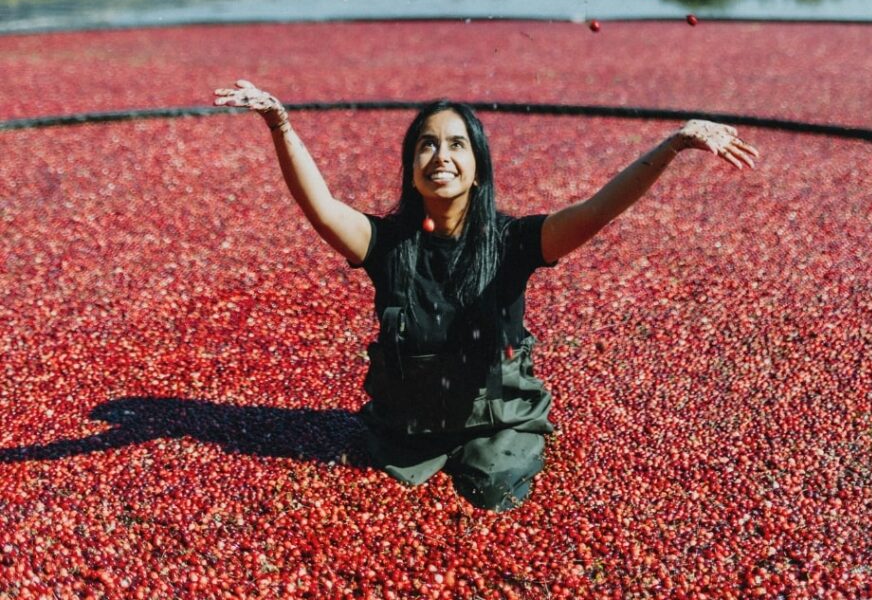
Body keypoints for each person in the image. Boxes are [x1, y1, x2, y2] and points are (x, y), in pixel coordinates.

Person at [213, 79, 758, 511]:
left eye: (456, 144)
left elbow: (597, 210)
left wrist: (673, 144)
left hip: (500, 419)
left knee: (494, 490)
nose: (440, 156)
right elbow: (321, 206)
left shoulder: (513, 243)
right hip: (405, 427)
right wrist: (280, 124)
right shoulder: (386, 245)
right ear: (411, 168)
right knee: (389, 489)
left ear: (477, 169)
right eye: (426, 144)